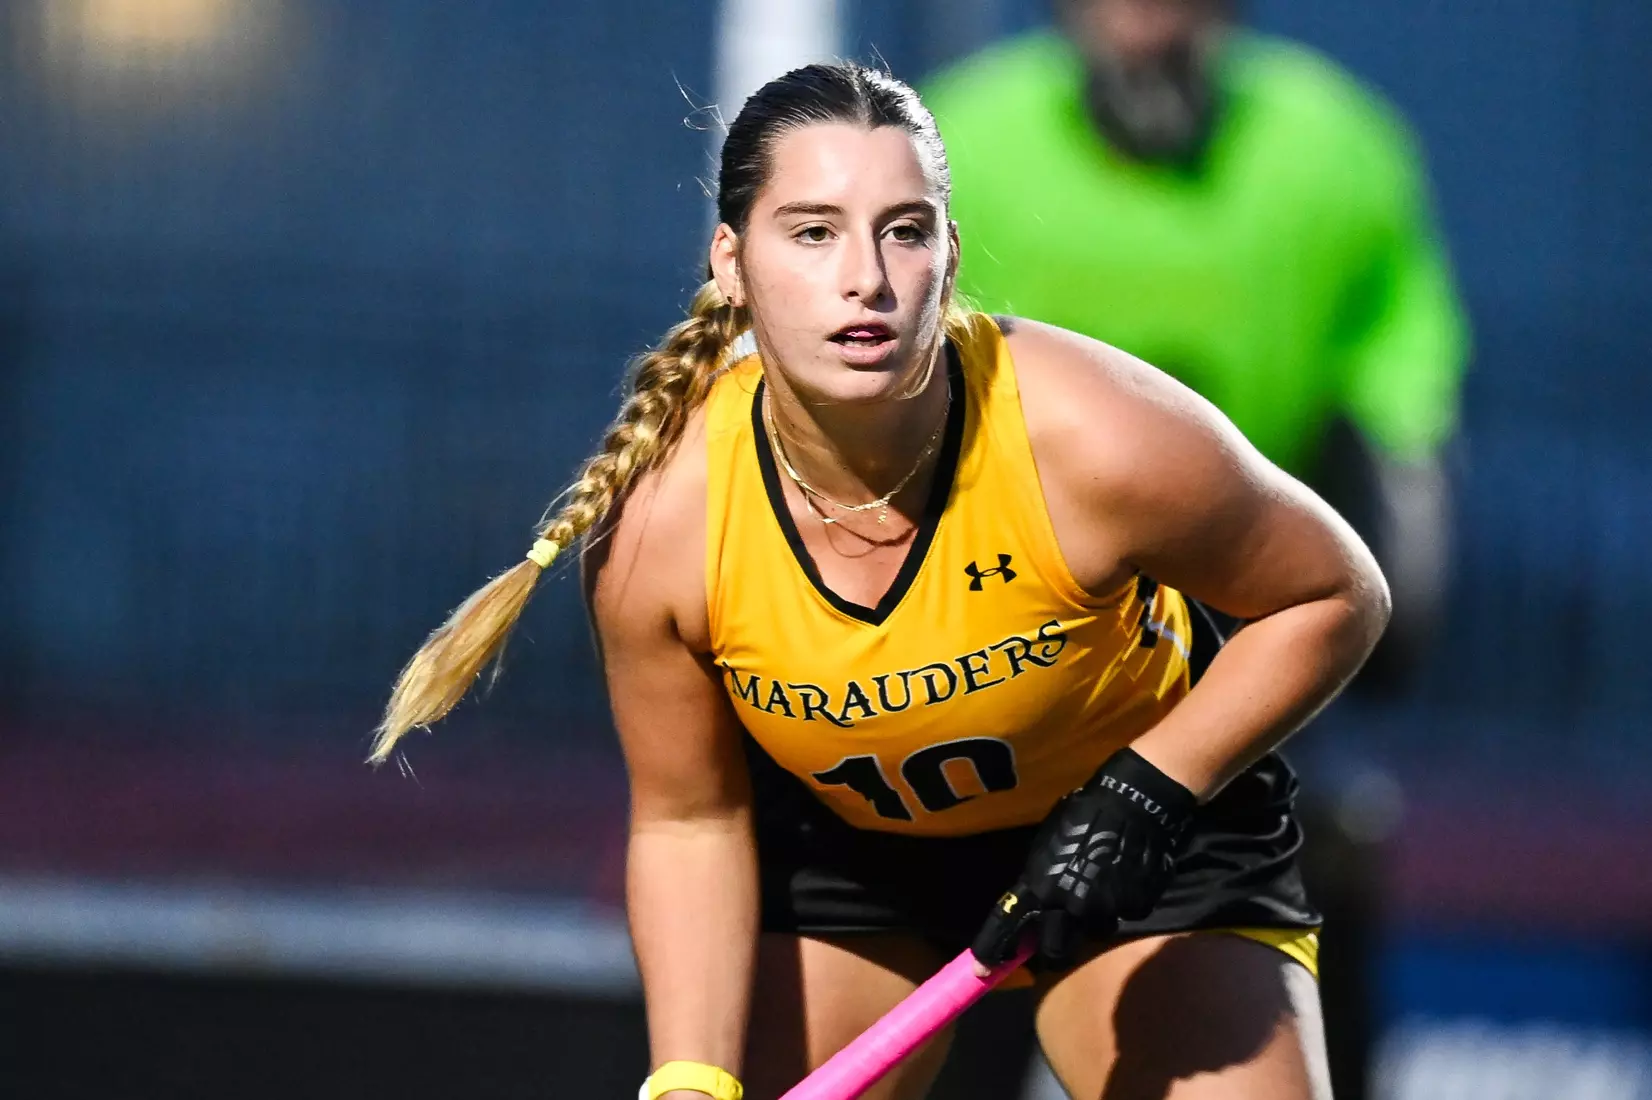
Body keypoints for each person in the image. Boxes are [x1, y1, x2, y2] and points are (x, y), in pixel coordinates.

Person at [374, 63, 1387, 1100]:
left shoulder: (1091, 437)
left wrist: (1148, 789)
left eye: (902, 230)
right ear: (730, 262)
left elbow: (1335, 591)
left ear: (947, 256)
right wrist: (687, 1079)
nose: (865, 277)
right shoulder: (659, 530)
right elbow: (689, 820)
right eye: (812, 233)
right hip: (852, 861)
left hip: (1143, 835)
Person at [922, 0, 1467, 687]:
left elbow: (1398, 347)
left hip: (1254, 569)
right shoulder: (964, 138)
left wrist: (1396, 485)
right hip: (1014, 580)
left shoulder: (1334, 144)